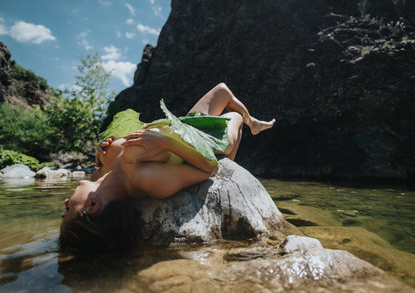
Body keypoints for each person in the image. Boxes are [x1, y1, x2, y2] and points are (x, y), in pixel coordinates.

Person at [59, 83, 275, 255]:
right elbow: (209, 168)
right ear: (94, 204)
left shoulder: (103, 178)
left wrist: (101, 152)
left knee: (222, 90)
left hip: (184, 126)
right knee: (234, 116)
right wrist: (167, 143)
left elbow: (102, 170)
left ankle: (253, 122)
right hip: (208, 139)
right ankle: (249, 123)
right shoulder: (145, 178)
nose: (66, 203)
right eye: (68, 211)